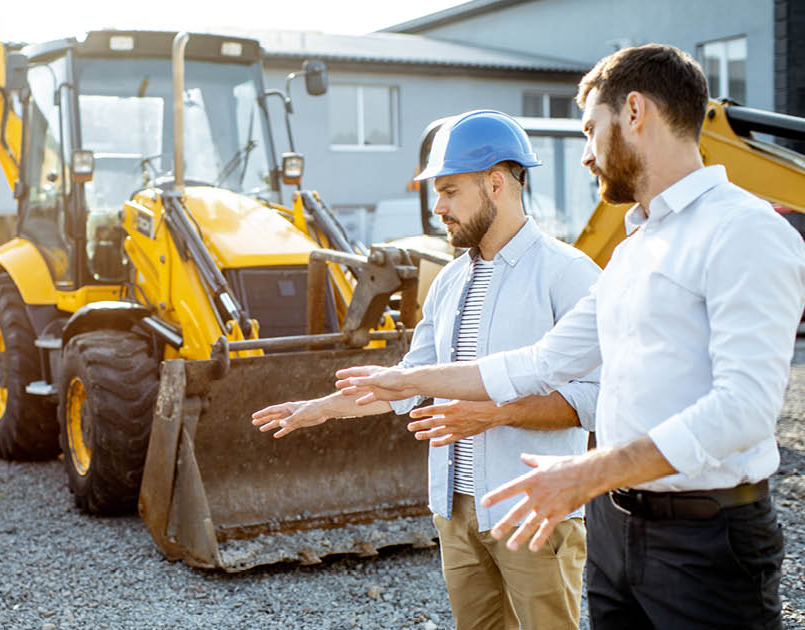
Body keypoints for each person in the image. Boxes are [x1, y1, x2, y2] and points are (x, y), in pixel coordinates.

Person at [333, 44, 805, 629]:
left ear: (634, 112)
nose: (585, 155)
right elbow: (542, 360)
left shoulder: (744, 232)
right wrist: (402, 380)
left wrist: (585, 474)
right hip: (617, 528)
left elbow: (745, 411)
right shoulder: (633, 251)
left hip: (706, 540)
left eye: (590, 130)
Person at [253, 110, 600, 630]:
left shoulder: (568, 274)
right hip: (455, 511)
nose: (438, 208)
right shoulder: (449, 281)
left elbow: (594, 400)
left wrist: (494, 415)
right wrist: (321, 409)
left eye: (450, 192)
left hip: (533, 510)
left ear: (496, 184)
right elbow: (409, 382)